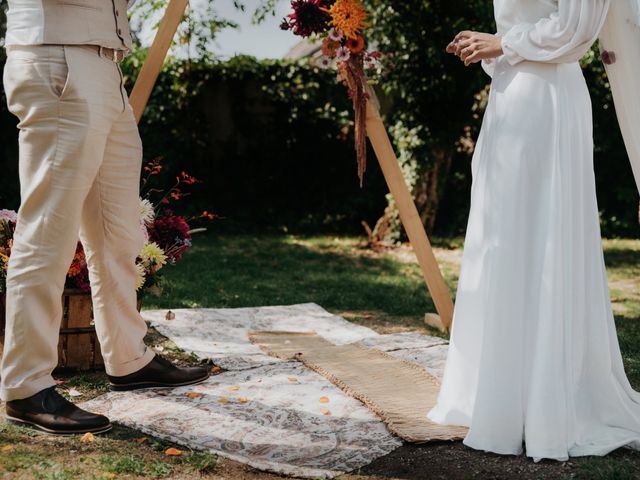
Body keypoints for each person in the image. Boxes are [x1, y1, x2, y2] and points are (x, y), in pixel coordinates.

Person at [428, 0, 640, 461]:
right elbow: (526, 29)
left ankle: (546, 402)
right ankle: (502, 396)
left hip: (549, 102)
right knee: (502, 242)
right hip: (510, 96)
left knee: (542, 242)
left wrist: (503, 42)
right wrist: (486, 48)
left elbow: (575, 29)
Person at [1, 0, 209, 435]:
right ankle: (25, 386)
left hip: (104, 65)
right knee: (47, 233)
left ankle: (129, 359)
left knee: (118, 231)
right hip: (57, 58)